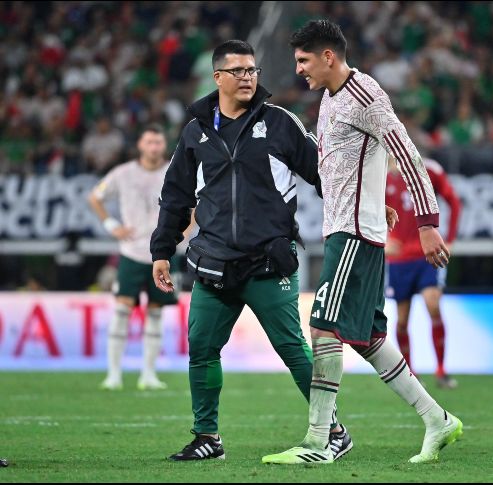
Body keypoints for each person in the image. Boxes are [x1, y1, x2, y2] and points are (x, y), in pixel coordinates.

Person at [262, 20, 462, 466]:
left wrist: (427, 222)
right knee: (368, 337)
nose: (298, 70)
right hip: (352, 227)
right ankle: (437, 418)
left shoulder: (364, 93)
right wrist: (375, 203)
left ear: (328, 56)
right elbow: (354, 162)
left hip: (352, 235)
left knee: (323, 328)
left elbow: (405, 152)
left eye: (303, 60)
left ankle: (319, 440)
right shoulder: (331, 99)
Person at [150, 40, 354, 462]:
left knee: (294, 351)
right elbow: (175, 196)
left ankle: (333, 429)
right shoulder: (195, 131)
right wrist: (161, 250)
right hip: (213, 261)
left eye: (252, 70)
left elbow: (325, 175)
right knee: (202, 350)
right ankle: (207, 437)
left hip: (268, 260)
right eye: (238, 71)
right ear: (217, 78)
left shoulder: (281, 123)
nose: (247, 77)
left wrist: (360, 206)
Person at [89, 124, 186, 391]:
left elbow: (196, 205)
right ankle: (113, 375)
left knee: (156, 313)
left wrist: (182, 234)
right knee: (122, 310)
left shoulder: (174, 171)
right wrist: (112, 226)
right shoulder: (122, 174)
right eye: (149, 142)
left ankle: (148, 375)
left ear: (163, 146)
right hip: (131, 253)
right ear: (140, 146)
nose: (154, 147)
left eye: (158, 142)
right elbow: (95, 197)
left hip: (164, 254)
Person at [385, 155, 462, 389]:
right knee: (402, 320)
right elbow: (366, 210)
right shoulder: (378, 173)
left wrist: (449, 239)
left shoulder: (430, 170)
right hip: (398, 258)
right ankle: (409, 373)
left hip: (427, 254)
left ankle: (441, 370)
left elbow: (453, 201)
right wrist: (383, 238)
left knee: (433, 304)